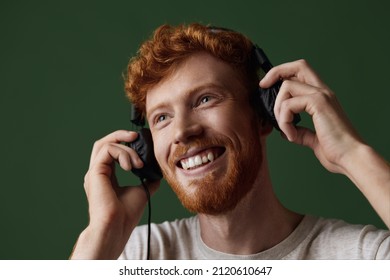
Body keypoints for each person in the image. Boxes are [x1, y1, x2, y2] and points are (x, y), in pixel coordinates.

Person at [70, 23, 390, 260]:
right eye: (162, 118)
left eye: (206, 99)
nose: (182, 131)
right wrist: (103, 231)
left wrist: (352, 155)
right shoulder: (134, 254)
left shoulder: (358, 255)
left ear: (266, 115)